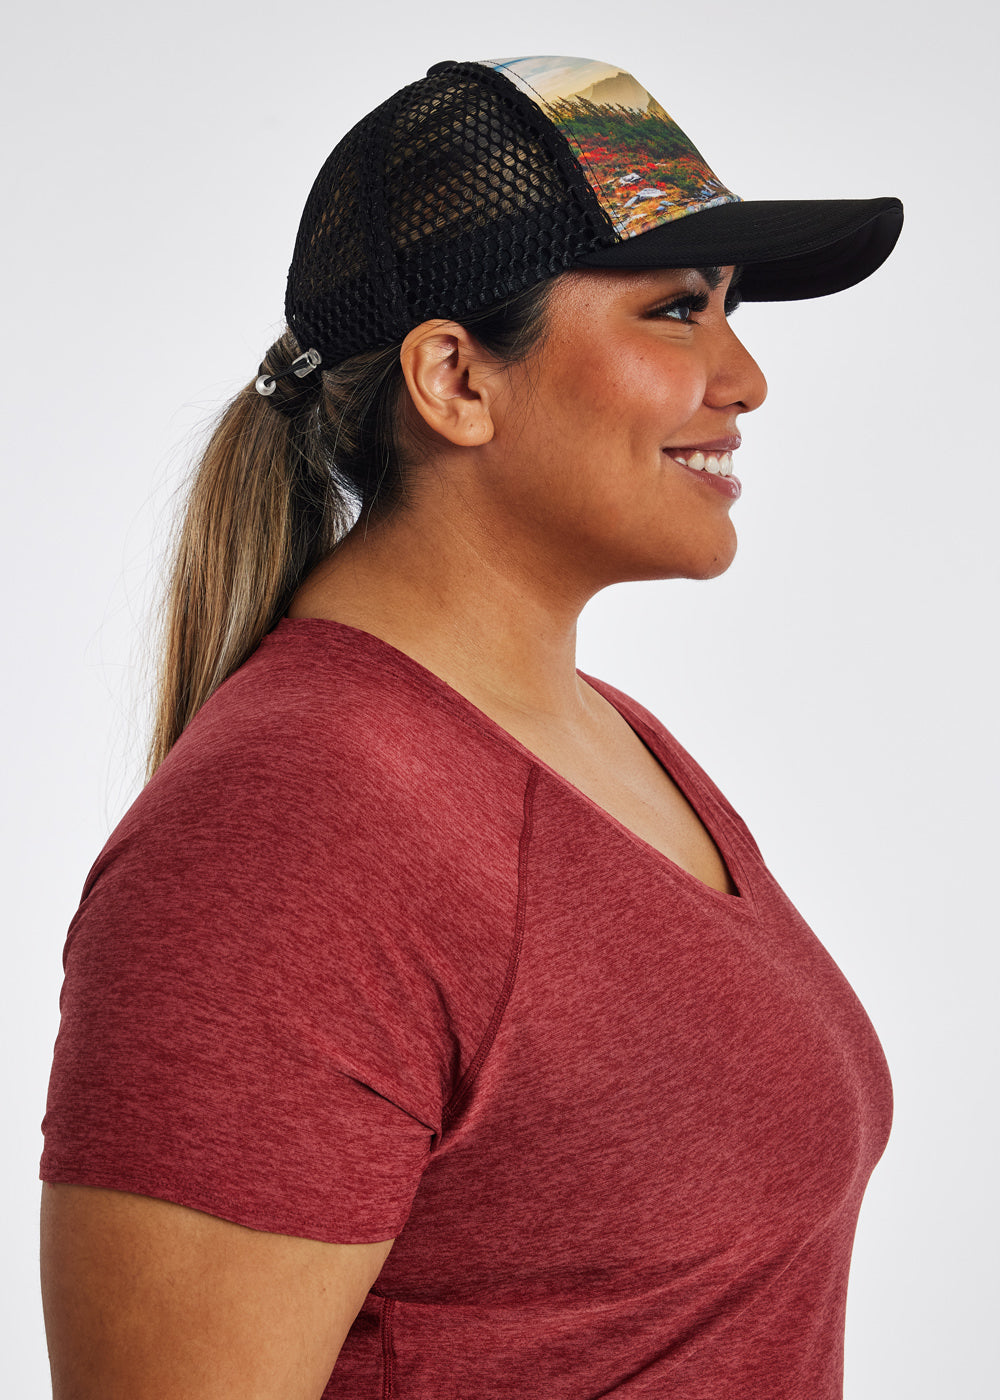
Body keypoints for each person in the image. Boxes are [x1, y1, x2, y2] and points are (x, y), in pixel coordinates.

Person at [38, 55, 903, 1400]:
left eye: (728, 309)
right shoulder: (296, 834)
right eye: (678, 310)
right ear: (454, 378)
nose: (746, 378)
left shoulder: (610, 743)